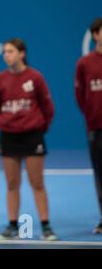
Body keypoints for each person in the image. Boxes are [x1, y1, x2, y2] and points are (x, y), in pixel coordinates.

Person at [0, 38, 58, 241]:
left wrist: (37, 128)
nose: (6, 55)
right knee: (12, 183)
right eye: (4, 51)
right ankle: (12, 226)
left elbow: (48, 109)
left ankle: (46, 227)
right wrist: (9, 123)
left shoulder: (35, 77)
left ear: (22, 53)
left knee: (37, 183)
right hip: (8, 136)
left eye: (11, 51)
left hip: (32, 136)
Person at [75, 17, 102, 234]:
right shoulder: (85, 64)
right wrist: (92, 116)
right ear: (95, 35)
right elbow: (81, 95)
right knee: (100, 174)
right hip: (96, 128)